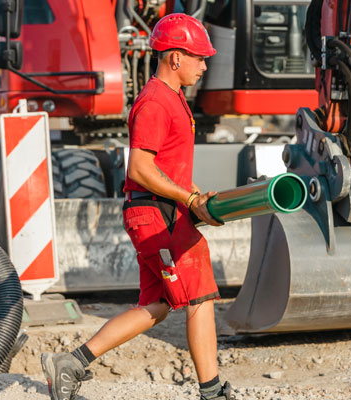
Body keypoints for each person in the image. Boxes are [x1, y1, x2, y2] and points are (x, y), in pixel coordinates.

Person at [40, 13, 232, 400]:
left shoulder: (173, 99)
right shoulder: (156, 102)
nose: (204, 64)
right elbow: (141, 168)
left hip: (160, 211)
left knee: (156, 305)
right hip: (157, 215)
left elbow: (167, 165)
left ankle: (70, 364)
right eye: (198, 57)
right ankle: (212, 393)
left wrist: (196, 195)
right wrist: (187, 199)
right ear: (175, 58)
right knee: (200, 295)